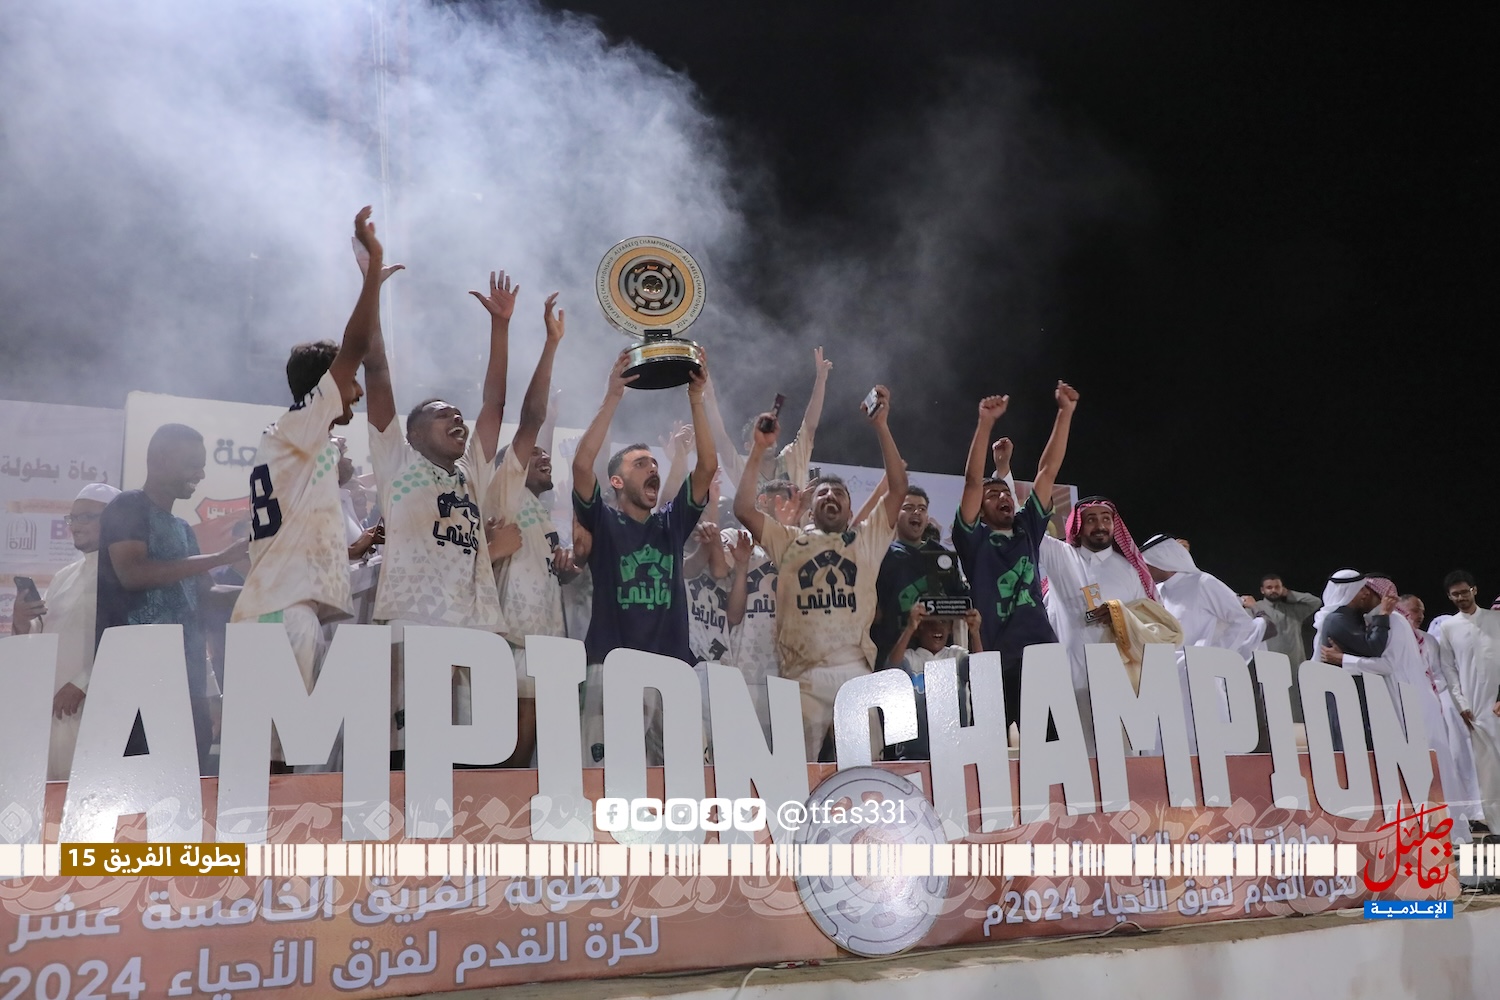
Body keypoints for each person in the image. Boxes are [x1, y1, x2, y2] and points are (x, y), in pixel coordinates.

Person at [229, 207, 394, 771]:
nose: (358, 394)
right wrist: (371, 275)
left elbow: (295, 532)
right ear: (328, 384)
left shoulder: (302, 444)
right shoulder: (301, 423)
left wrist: (354, 547)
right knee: (282, 764)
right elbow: (355, 344)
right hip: (281, 613)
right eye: (351, 383)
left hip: (281, 608)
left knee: (283, 759)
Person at [363, 268, 514, 769]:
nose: (457, 419)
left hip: (473, 625)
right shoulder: (398, 464)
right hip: (415, 621)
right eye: (442, 414)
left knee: (471, 762)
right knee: (407, 757)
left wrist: (500, 327)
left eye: (457, 415)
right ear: (412, 434)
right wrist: (371, 292)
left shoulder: (471, 471)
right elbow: (377, 372)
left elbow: (494, 403)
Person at [733, 384, 907, 762]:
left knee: (864, 776)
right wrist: (758, 450)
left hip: (856, 674)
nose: (830, 496)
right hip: (802, 677)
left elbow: (898, 489)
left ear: (850, 511)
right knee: (795, 776)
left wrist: (882, 426)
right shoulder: (789, 541)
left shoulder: (866, 540)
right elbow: (744, 509)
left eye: (839, 495)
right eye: (823, 493)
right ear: (810, 510)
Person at [571, 351, 717, 766]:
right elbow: (582, 465)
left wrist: (696, 399)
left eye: (655, 463)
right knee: (603, 782)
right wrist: (612, 397)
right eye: (640, 464)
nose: (653, 468)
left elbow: (707, 467)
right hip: (612, 666)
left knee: (688, 782)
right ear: (617, 481)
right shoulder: (603, 521)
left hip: (672, 671)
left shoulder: (670, 523)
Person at [96, 423, 249, 774]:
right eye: (193, 464)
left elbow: (207, 594)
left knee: (188, 774)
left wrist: (270, 596)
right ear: (161, 459)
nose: (201, 474)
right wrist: (218, 558)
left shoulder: (182, 528)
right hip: (134, 677)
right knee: (136, 780)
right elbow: (132, 573)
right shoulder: (128, 506)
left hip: (186, 677)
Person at [488, 292, 579, 768]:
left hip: (546, 642)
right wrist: (551, 345)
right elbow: (532, 419)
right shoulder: (505, 494)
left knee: (528, 758)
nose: (544, 458)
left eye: (547, 456)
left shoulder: (542, 515)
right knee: (501, 754)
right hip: (509, 641)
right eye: (534, 455)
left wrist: (565, 569)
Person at [954, 385, 1076, 738]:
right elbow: (972, 481)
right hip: (995, 660)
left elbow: (1047, 471)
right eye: (992, 495)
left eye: (1005, 492)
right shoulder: (973, 540)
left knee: (1053, 749)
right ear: (979, 509)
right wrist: (985, 423)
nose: (1002, 497)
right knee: (991, 753)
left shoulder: (1027, 529)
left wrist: (1065, 413)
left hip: (1042, 655)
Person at [9, 482, 121, 780]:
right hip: (51, 712)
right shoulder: (64, 576)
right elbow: (40, 637)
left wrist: (83, 683)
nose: (75, 525)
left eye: (86, 517)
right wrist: (22, 620)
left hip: (95, 706)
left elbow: (126, 641)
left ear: (116, 520)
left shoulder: (125, 576)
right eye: (72, 518)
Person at [1038, 489, 1157, 756]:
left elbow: (1150, 617)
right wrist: (1004, 474)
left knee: (1122, 755)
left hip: (1121, 677)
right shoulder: (1061, 556)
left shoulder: (1128, 570)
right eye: (1091, 519)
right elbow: (1026, 527)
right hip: (1071, 677)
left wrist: (1119, 614)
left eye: (1106, 519)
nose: (1100, 525)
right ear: (1078, 526)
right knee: (1078, 756)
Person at [1141, 534, 1269, 754]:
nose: (1144, 569)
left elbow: (1242, 623)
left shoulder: (1203, 583)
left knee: (1210, 746)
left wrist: (1211, 656)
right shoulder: (1158, 592)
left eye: (1147, 564)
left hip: (1200, 679)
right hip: (1166, 678)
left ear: (1162, 560)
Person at [723, 479, 799, 743]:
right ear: (761, 502)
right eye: (778, 500)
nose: (783, 508)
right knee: (740, 754)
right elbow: (733, 616)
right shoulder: (736, 540)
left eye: (789, 503)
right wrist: (742, 567)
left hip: (788, 673)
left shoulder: (799, 546)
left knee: (786, 756)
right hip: (742, 671)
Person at [869, 485, 970, 672]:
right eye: (908, 508)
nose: (916, 512)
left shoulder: (941, 555)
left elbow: (961, 598)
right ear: (895, 514)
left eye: (922, 509)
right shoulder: (881, 556)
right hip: (894, 656)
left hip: (937, 659)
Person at [706, 346, 832, 493]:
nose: (766, 440)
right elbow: (721, 440)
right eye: (760, 434)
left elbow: (809, 427)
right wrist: (709, 396)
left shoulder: (791, 459)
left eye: (768, 433)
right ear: (748, 446)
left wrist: (821, 379)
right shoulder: (744, 471)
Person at [1431, 570, 1500, 834]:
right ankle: (1496, 826)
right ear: (1449, 597)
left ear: (1474, 590)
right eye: (1455, 594)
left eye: (1464, 592)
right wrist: (1461, 704)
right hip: (1475, 708)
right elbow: (1448, 669)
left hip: (1496, 700)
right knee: (1488, 769)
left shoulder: (1495, 619)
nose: (1461, 597)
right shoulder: (1449, 627)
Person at [883, 604, 986, 760]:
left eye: (943, 622)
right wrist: (909, 628)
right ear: (919, 628)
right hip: (914, 754)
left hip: (955, 753)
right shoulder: (910, 657)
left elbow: (983, 673)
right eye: (930, 622)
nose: (937, 627)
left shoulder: (957, 655)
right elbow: (891, 669)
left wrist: (975, 633)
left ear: (950, 628)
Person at [1312, 569, 1395, 751]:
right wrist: (1383, 616)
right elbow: (1373, 648)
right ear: (1349, 592)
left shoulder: (1351, 617)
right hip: (1345, 696)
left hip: (1357, 692)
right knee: (1351, 748)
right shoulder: (1337, 620)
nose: (1366, 594)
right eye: (1361, 589)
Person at [1242, 574, 1321, 722]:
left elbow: (1315, 602)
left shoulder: (1293, 609)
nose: (1273, 590)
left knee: (1297, 700)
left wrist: (1288, 594)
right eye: (1269, 587)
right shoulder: (1255, 609)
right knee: (1270, 702)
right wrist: (1253, 606)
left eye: (1277, 587)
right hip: (1268, 665)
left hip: (1294, 663)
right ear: (1262, 590)